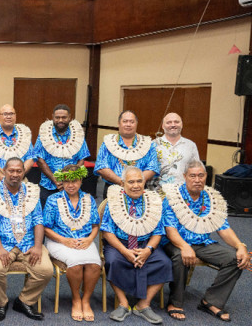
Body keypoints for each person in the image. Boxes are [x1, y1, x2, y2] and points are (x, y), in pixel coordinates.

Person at [161, 160, 250, 322]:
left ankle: (211, 301)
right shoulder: (173, 197)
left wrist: (240, 245)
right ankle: (175, 302)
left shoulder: (212, 198)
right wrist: (184, 246)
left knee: (234, 258)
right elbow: (170, 230)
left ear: (206, 176)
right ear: (185, 177)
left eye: (201, 175)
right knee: (181, 256)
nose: (197, 180)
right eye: (192, 176)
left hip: (202, 243)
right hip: (174, 242)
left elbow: (223, 227)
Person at [0, 157, 51, 322]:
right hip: (1, 242)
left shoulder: (32, 192)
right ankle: (1, 303)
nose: (15, 174)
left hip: (28, 242)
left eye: (19, 171)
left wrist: (37, 246)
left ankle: (24, 301)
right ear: (4, 171)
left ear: (24, 172)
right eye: (11, 170)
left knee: (46, 270)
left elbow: (38, 221)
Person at [101, 166, 171, 324]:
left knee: (164, 262)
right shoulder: (114, 201)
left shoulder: (153, 201)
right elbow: (106, 232)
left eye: (139, 181)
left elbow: (158, 231)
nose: (136, 185)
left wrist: (148, 250)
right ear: (123, 184)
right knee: (113, 261)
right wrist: (124, 251)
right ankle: (123, 303)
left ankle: (143, 305)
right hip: (120, 244)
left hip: (146, 243)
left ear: (144, 182)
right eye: (131, 182)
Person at [42, 164, 101, 322]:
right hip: (58, 241)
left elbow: (95, 226)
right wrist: (64, 240)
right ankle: (76, 299)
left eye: (74, 181)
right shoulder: (53, 200)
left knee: (95, 264)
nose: (71, 185)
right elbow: (45, 228)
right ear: (62, 182)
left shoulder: (88, 199)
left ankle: (86, 300)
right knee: (75, 263)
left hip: (85, 241)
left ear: (81, 180)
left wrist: (89, 239)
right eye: (67, 181)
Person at [34, 104, 90, 206]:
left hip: (72, 187)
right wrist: (55, 180)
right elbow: (40, 159)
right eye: (57, 117)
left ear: (70, 117)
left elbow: (82, 158)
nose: (60, 120)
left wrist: (70, 180)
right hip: (48, 186)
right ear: (52, 117)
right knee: (46, 218)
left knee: (71, 218)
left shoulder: (78, 134)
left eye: (64, 117)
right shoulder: (44, 134)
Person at [95, 110, 159, 198]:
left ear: (136, 123)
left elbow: (153, 167)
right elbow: (101, 167)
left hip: (140, 189)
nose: (128, 124)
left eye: (132, 122)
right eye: (125, 121)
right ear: (119, 123)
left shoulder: (148, 144)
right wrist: (122, 182)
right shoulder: (108, 142)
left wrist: (135, 183)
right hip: (113, 188)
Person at [0, 104, 34, 181]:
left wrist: (18, 175)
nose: (8, 117)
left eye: (11, 114)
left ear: (15, 116)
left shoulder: (24, 134)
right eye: (5, 114)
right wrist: (2, 178)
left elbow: (30, 158)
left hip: (20, 180)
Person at [151, 112, 200, 191]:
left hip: (183, 193)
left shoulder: (191, 145)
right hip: (158, 193)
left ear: (182, 124)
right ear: (163, 126)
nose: (173, 125)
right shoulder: (153, 145)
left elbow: (196, 170)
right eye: (169, 122)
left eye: (176, 122)